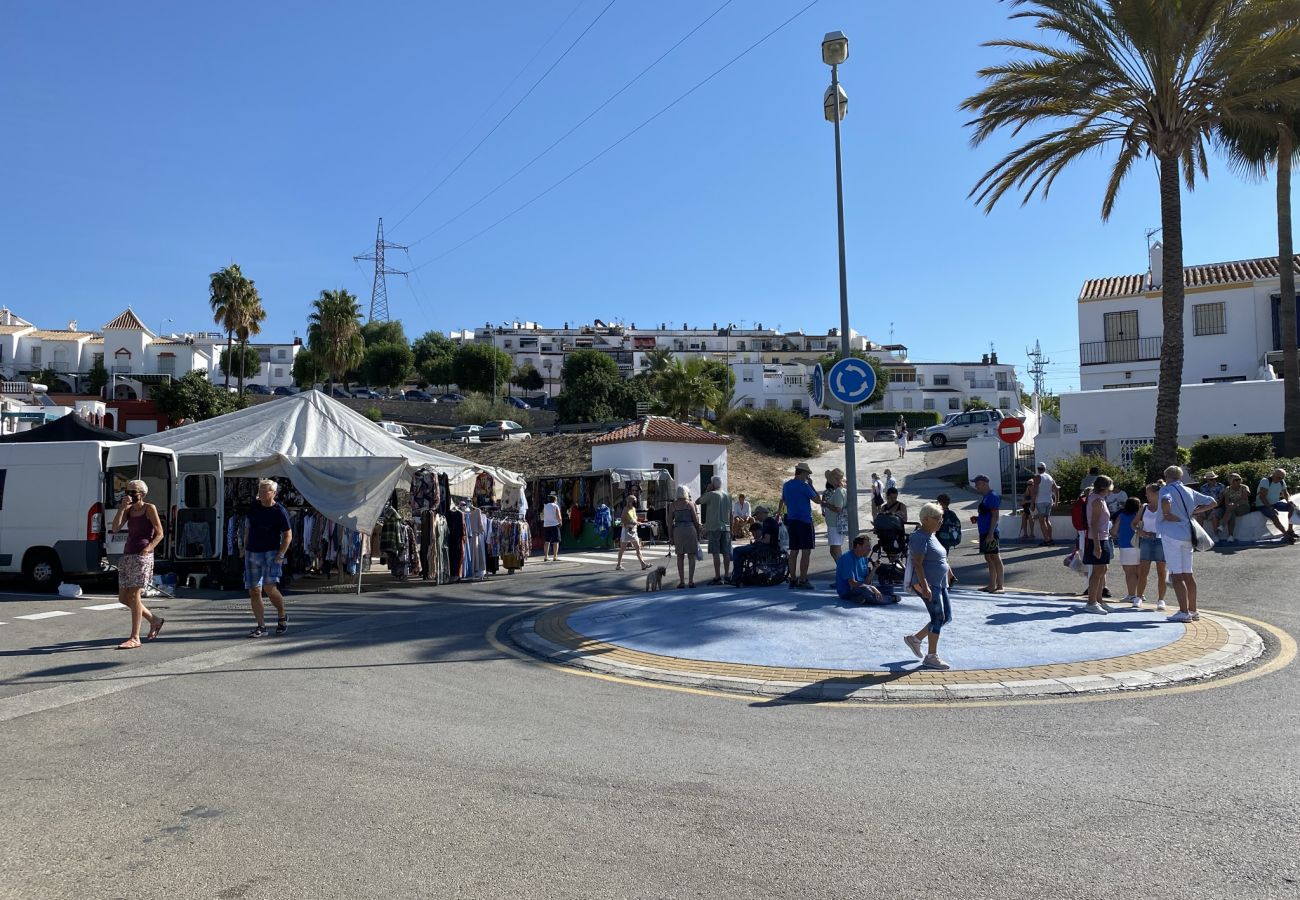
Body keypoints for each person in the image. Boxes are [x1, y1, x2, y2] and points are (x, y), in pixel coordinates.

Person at [109, 479, 165, 650]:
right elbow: (115, 528)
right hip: (128, 554)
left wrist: (148, 548)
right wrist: (121, 508)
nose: (130, 495)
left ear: (142, 494)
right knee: (123, 598)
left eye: (133, 492)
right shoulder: (128, 510)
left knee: (134, 595)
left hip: (142, 556)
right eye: (128, 491)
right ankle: (154, 620)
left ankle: (135, 637)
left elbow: (160, 533)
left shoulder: (149, 508)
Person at [1158, 466, 1219, 623]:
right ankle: (1193, 610)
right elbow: (1212, 502)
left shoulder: (1166, 489)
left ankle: (1184, 612)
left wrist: (1167, 513)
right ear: (1180, 476)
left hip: (1172, 535)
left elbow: (1166, 500)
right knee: (1188, 574)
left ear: (1166, 476)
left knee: (1176, 575)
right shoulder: (1188, 490)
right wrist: (1195, 512)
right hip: (1188, 534)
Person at [904, 502, 954, 670]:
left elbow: (940, 557)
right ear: (925, 519)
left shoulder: (931, 534)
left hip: (939, 583)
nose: (941, 521)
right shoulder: (919, 537)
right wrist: (925, 587)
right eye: (937, 518)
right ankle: (931, 656)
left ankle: (915, 639)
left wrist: (948, 570)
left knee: (946, 617)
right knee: (938, 618)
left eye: (941, 518)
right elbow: (918, 563)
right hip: (929, 584)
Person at [243, 478, 293, 638]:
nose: (262, 493)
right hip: (252, 552)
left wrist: (280, 554)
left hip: (271, 553)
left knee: (270, 589)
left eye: (266, 490)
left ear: (274, 493)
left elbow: (288, 534)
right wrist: (243, 547)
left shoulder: (279, 511)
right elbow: (248, 527)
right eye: (261, 490)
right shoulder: (254, 507)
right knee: (254, 590)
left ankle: (281, 615)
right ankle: (261, 626)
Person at [777, 462, 822, 590]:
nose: (807, 477)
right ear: (802, 473)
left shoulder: (786, 485)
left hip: (791, 520)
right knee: (806, 551)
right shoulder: (804, 486)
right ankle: (802, 580)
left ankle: (792, 579)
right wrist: (811, 486)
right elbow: (818, 500)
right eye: (807, 474)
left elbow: (784, 500)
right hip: (805, 521)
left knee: (794, 551)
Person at [1081, 474, 1113, 614]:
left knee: (1103, 569)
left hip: (1102, 537)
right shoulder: (1097, 501)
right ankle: (1091, 602)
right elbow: (1093, 524)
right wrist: (1097, 545)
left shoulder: (1098, 499)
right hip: (1098, 539)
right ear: (1105, 487)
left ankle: (1098, 600)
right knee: (1097, 571)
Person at [1134, 482, 1168, 611]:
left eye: (1148, 492)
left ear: (1156, 494)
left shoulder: (1164, 506)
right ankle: (1138, 597)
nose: (1146, 495)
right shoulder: (1144, 507)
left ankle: (1161, 600)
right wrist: (1140, 531)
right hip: (1146, 540)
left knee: (1161, 572)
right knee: (1143, 571)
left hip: (1161, 540)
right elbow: (1134, 524)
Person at [970, 474, 1004, 593]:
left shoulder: (992, 496)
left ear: (984, 483)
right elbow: (987, 514)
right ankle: (991, 585)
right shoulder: (985, 497)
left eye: (977, 483)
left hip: (990, 532)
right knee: (988, 557)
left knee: (995, 557)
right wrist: (978, 519)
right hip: (984, 531)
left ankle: (1000, 586)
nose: (976, 486)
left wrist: (990, 533)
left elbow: (995, 516)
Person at [697, 476, 733, 585]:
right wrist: (731, 528)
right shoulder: (727, 495)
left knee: (715, 552)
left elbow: (698, 501)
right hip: (726, 527)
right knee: (726, 552)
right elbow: (731, 514)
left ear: (713, 484)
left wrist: (707, 490)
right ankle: (726, 575)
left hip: (714, 527)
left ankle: (717, 577)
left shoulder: (711, 494)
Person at [730, 506, 779, 583]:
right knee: (743, 550)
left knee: (736, 550)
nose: (756, 517)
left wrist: (758, 540)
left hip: (765, 548)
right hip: (770, 548)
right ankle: (739, 575)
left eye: (757, 515)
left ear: (761, 513)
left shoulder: (767, 523)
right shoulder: (772, 521)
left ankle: (737, 576)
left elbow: (767, 540)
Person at [1111, 496, 1143, 607]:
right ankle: (1140, 594)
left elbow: (1114, 531)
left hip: (1125, 545)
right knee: (1140, 572)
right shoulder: (1140, 517)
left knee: (1129, 572)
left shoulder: (1121, 516)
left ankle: (1131, 595)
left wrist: (1119, 535)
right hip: (1140, 545)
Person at [669, 485, 702, 588]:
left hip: (678, 530)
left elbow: (669, 522)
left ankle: (682, 581)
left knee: (680, 556)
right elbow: (695, 520)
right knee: (691, 556)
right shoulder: (690, 504)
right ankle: (691, 581)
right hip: (690, 529)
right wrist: (698, 533)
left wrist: (670, 536)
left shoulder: (672, 505)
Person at [835, 534, 881, 603]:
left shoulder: (864, 558)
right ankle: (882, 599)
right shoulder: (847, 558)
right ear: (858, 546)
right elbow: (852, 583)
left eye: (870, 546)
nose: (870, 549)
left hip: (862, 587)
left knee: (887, 588)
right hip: (848, 590)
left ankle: (863, 598)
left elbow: (867, 582)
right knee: (867, 590)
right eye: (867, 546)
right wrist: (871, 588)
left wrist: (875, 568)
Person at [1257, 467, 1297, 543]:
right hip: (1263, 504)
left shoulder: (1281, 481)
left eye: (1281, 478)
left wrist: (1289, 501)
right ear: (1273, 474)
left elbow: (1285, 493)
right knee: (1274, 516)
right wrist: (1271, 508)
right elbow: (1262, 497)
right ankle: (1286, 535)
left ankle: (1290, 530)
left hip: (1275, 503)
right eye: (1278, 477)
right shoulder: (1265, 481)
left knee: (1292, 507)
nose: (1279, 479)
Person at [615, 496, 650, 572]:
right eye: (634, 501)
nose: (635, 502)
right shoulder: (625, 509)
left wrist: (637, 522)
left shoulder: (633, 509)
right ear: (629, 501)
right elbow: (623, 521)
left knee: (638, 547)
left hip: (634, 530)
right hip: (627, 531)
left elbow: (634, 519)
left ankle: (643, 564)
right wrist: (632, 522)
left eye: (635, 501)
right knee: (622, 549)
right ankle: (618, 565)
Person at [822, 468, 848, 562]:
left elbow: (838, 508)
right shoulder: (842, 490)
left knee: (836, 550)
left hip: (835, 524)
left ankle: (843, 571)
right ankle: (841, 570)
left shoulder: (838, 491)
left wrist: (826, 504)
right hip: (835, 524)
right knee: (833, 550)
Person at [1031, 462, 1059, 546]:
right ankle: (1050, 539)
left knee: (1042, 521)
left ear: (1037, 468)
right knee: (1047, 520)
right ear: (1045, 468)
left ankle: (1046, 540)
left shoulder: (1037, 477)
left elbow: (1035, 491)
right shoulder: (1049, 477)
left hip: (1040, 501)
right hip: (1049, 501)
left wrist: (1032, 503)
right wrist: (1056, 501)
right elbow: (1056, 489)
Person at [1220, 473, 1252, 543]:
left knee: (1231, 510)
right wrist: (1229, 505)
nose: (1238, 481)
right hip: (1232, 508)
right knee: (1232, 514)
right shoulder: (1227, 489)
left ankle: (1222, 526)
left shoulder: (1244, 487)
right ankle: (1230, 536)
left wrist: (1234, 504)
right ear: (1231, 481)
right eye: (1236, 480)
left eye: (1239, 479)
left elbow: (1244, 499)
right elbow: (1226, 501)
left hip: (1244, 507)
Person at [541, 493, 562, 562]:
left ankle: (546, 556)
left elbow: (543, 515)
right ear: (555, 500)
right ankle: (555, 557)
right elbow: (558, 515)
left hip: (546, 525)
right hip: (554, 524)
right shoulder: (556, 506)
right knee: (556, 541)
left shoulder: (545, 506)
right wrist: (560, 522)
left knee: (547, 541)